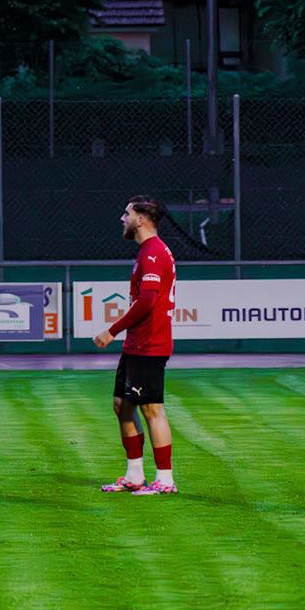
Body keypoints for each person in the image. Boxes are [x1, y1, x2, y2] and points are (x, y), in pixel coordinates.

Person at [94, 196, 177, 494]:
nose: (122, 218)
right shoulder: (147, 252)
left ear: (141, 219)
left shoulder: (154, 252)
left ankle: (165, 480)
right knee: (123, 406)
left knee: (152, 409)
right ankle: (135, 476)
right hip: (137, 345)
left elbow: (147, 301)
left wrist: (112, 330)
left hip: (149, 345)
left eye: (126, 213)